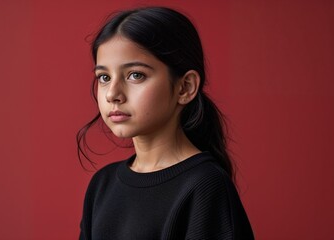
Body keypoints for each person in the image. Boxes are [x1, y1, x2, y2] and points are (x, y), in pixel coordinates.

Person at [77, 6, 254, 240]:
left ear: (185, 87)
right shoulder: (102, 185)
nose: (112, 94)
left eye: (135, 75)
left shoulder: (205, 186)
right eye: (104, 77)